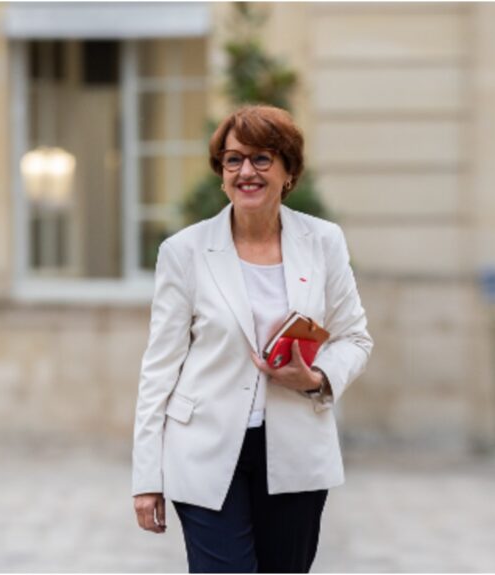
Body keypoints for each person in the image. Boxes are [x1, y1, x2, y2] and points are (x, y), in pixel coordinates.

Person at [131, 104, 373, 573]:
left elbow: (355, 339)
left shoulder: (323, 242)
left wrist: (315, 377)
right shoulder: (184, 252)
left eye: (262, 158)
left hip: (296, 450)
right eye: (233, 160)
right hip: (203, 448)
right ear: (221, 173)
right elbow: (159, 368)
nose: (246, 171)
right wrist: (146, 477)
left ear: (288, 171)